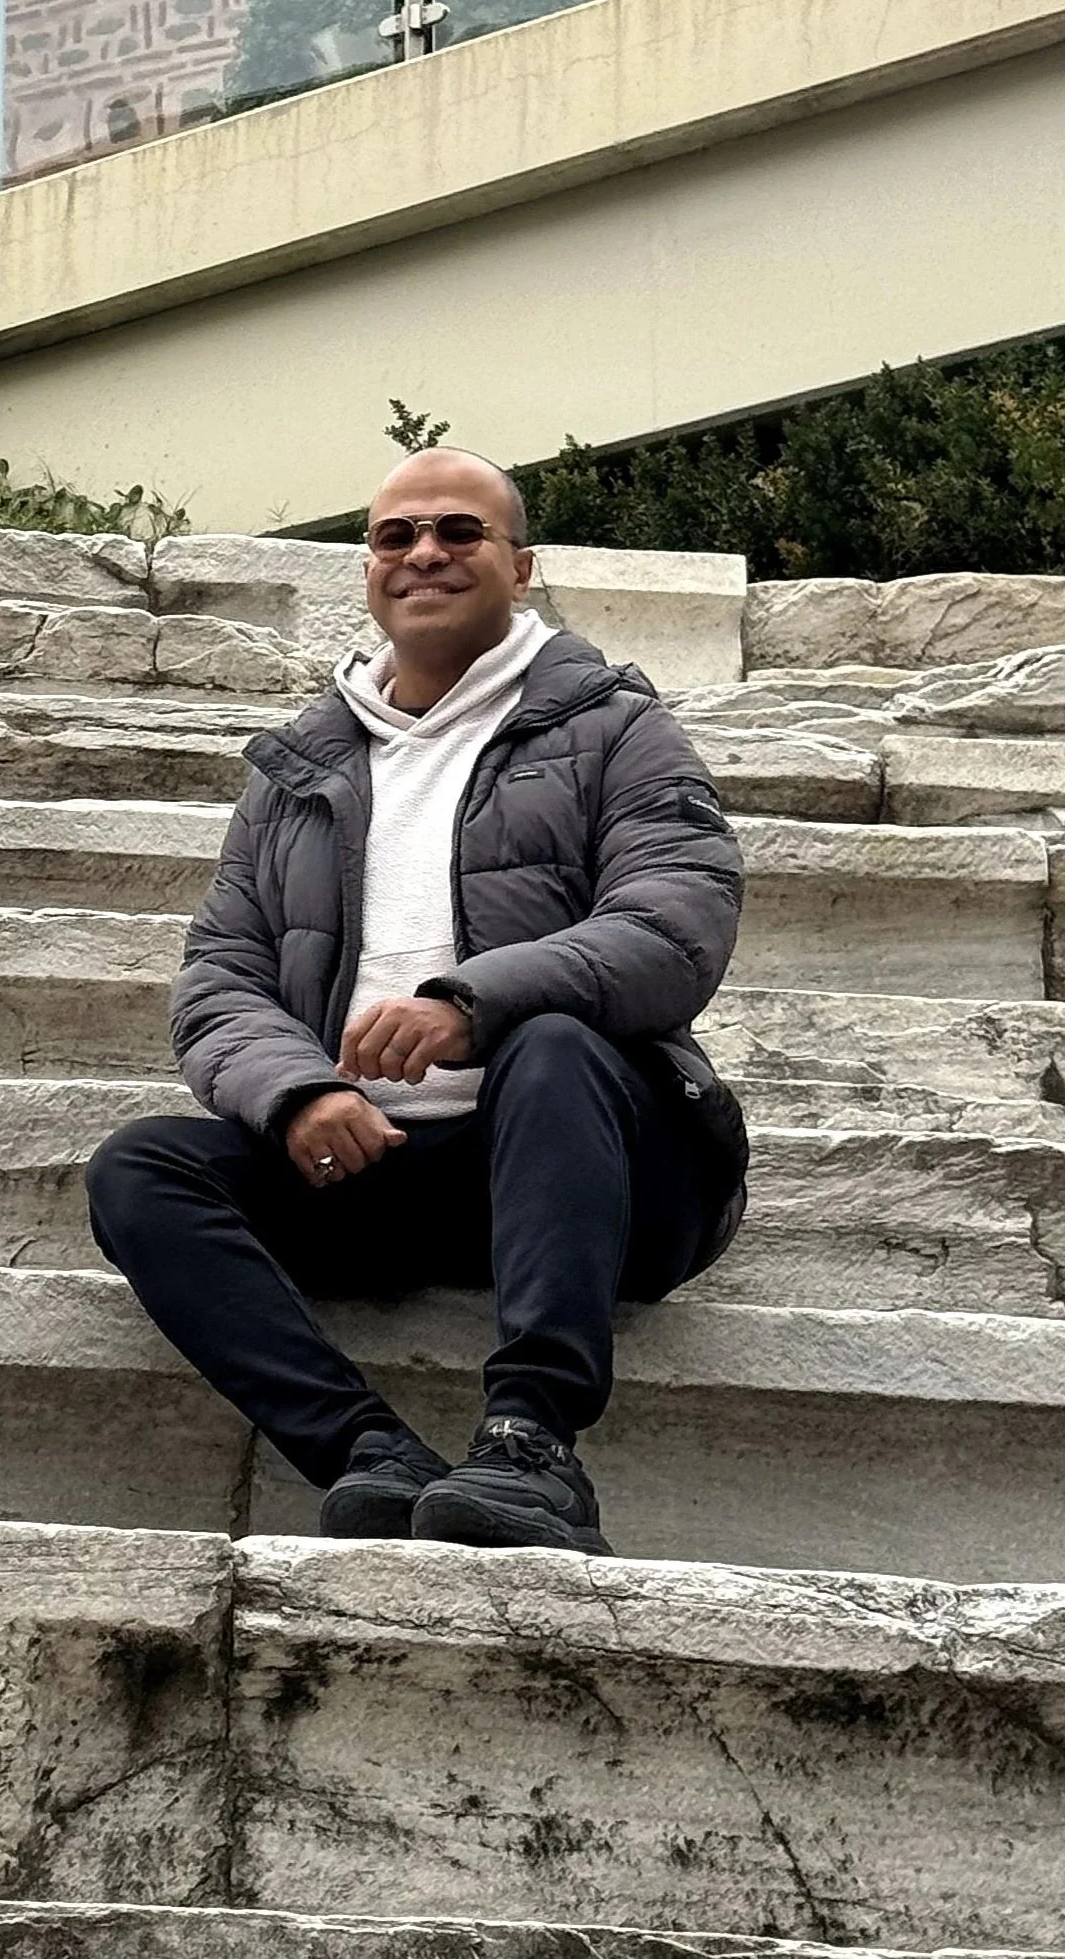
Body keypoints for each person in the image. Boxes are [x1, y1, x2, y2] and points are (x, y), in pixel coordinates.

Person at [87, 448, 748, 1553]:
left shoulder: (618, 728)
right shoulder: (297, 768)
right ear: (368, 571)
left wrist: (469, 1005)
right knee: (141, 1169)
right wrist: (298, 1094)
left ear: (520, 566)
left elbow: (677, 926)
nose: (424, 553)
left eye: (459, 531)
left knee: (551, 1044)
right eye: (396, 536)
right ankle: (370, 1454)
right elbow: (219, 975)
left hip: (604, 1170)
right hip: (384, 1168)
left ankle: (533, 1446)